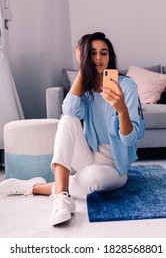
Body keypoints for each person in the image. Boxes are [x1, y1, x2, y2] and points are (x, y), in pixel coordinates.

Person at [0, 32, 141, 226]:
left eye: (103, 53)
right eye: (91, 53)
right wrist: (83, 70)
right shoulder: (87, 88)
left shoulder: (127, 87)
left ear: (110, 57)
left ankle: (36, 187)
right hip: (90, 154)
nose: (98, 58)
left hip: (115, 166)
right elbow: (68, 110)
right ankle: (63, 198)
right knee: (66, 120)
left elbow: (130, 140)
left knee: (92, 179)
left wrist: (123, 111)